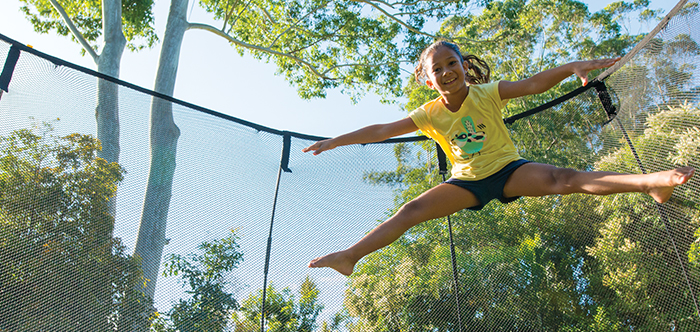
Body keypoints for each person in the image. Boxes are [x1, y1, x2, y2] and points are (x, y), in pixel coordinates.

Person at [302, 40, 695, 277]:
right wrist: (335, 141)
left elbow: (533, 84)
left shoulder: (487, 93)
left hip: (510, 171)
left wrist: (570, 67)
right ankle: (350, 256)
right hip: (465, 183)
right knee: (410, 211)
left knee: (564, 178)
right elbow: (381, 131)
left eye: (451, 64)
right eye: (437, 69)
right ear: (428, 79)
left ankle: (651, 183)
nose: (446, 72)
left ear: (464, 67)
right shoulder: (429, 114)